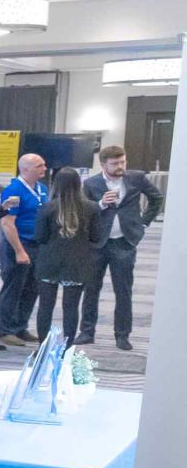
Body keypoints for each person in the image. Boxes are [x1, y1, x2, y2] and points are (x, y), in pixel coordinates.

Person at [80, 145, 163, 350]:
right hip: (97, 243)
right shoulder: (91, 183)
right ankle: (87, 332)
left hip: (124, 242)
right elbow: (83, 209)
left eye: (123, 162)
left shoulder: (136, 178)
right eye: (115, 163)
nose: (120, 166)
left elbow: (156, 198)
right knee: (91, 289)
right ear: (103, 164)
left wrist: (143, 223)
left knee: (123, 291)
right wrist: (101, 203)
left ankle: (122, 335)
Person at [34, 168, 101, 343]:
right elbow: (96, 237)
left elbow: (40, 237)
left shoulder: (47, 207)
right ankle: (67, 347)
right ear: (79, 184)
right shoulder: (92, 207)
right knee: (71, 308)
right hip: (77, 263)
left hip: (49, 262)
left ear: (56, 184)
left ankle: (43, 346)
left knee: (45, 306)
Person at [0, 152, 48, 346]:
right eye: (39, 166)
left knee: (32, 288)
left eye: (44, 165)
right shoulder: (14, 191)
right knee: (13, 288)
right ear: (25, 169)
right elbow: (7, 224)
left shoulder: (42, 188)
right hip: (18, 245)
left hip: (37, 245)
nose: (44, 168)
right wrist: (19, 250)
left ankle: (20, 327)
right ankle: (6, 330)